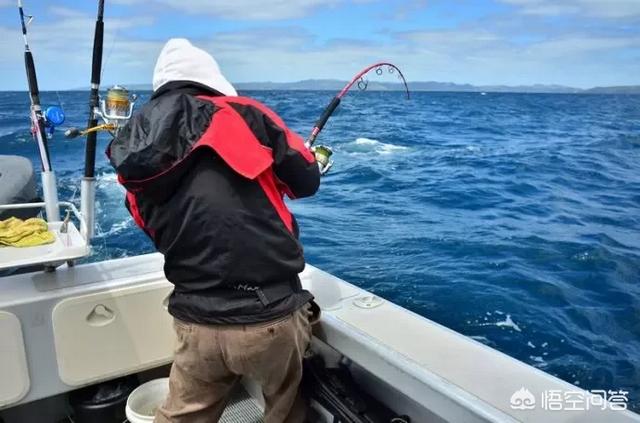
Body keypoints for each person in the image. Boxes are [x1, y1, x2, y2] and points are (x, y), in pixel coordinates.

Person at [107, 38, 321, 423]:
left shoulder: (132, 143)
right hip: (269, 315)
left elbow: (144, 219)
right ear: (212, 77)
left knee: (180, 416)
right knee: (286, 409)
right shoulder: (245, 113)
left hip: (195, 321)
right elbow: (306, 178)